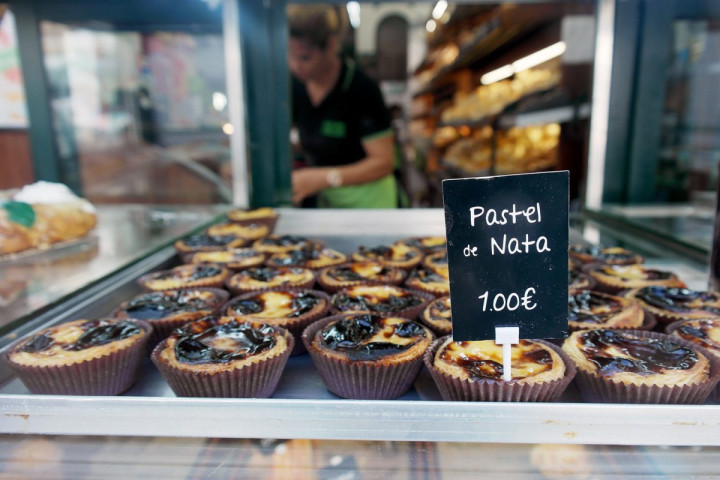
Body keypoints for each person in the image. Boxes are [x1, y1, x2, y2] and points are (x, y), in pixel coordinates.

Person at [288, 5, 398, 208]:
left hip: (370, 202)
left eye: (304, 57)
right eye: (289, 55)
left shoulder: (360, 88)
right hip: (329, 201)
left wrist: (322, 178)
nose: (295, 65)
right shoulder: (296, 86)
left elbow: (383, 162)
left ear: (330, 46)